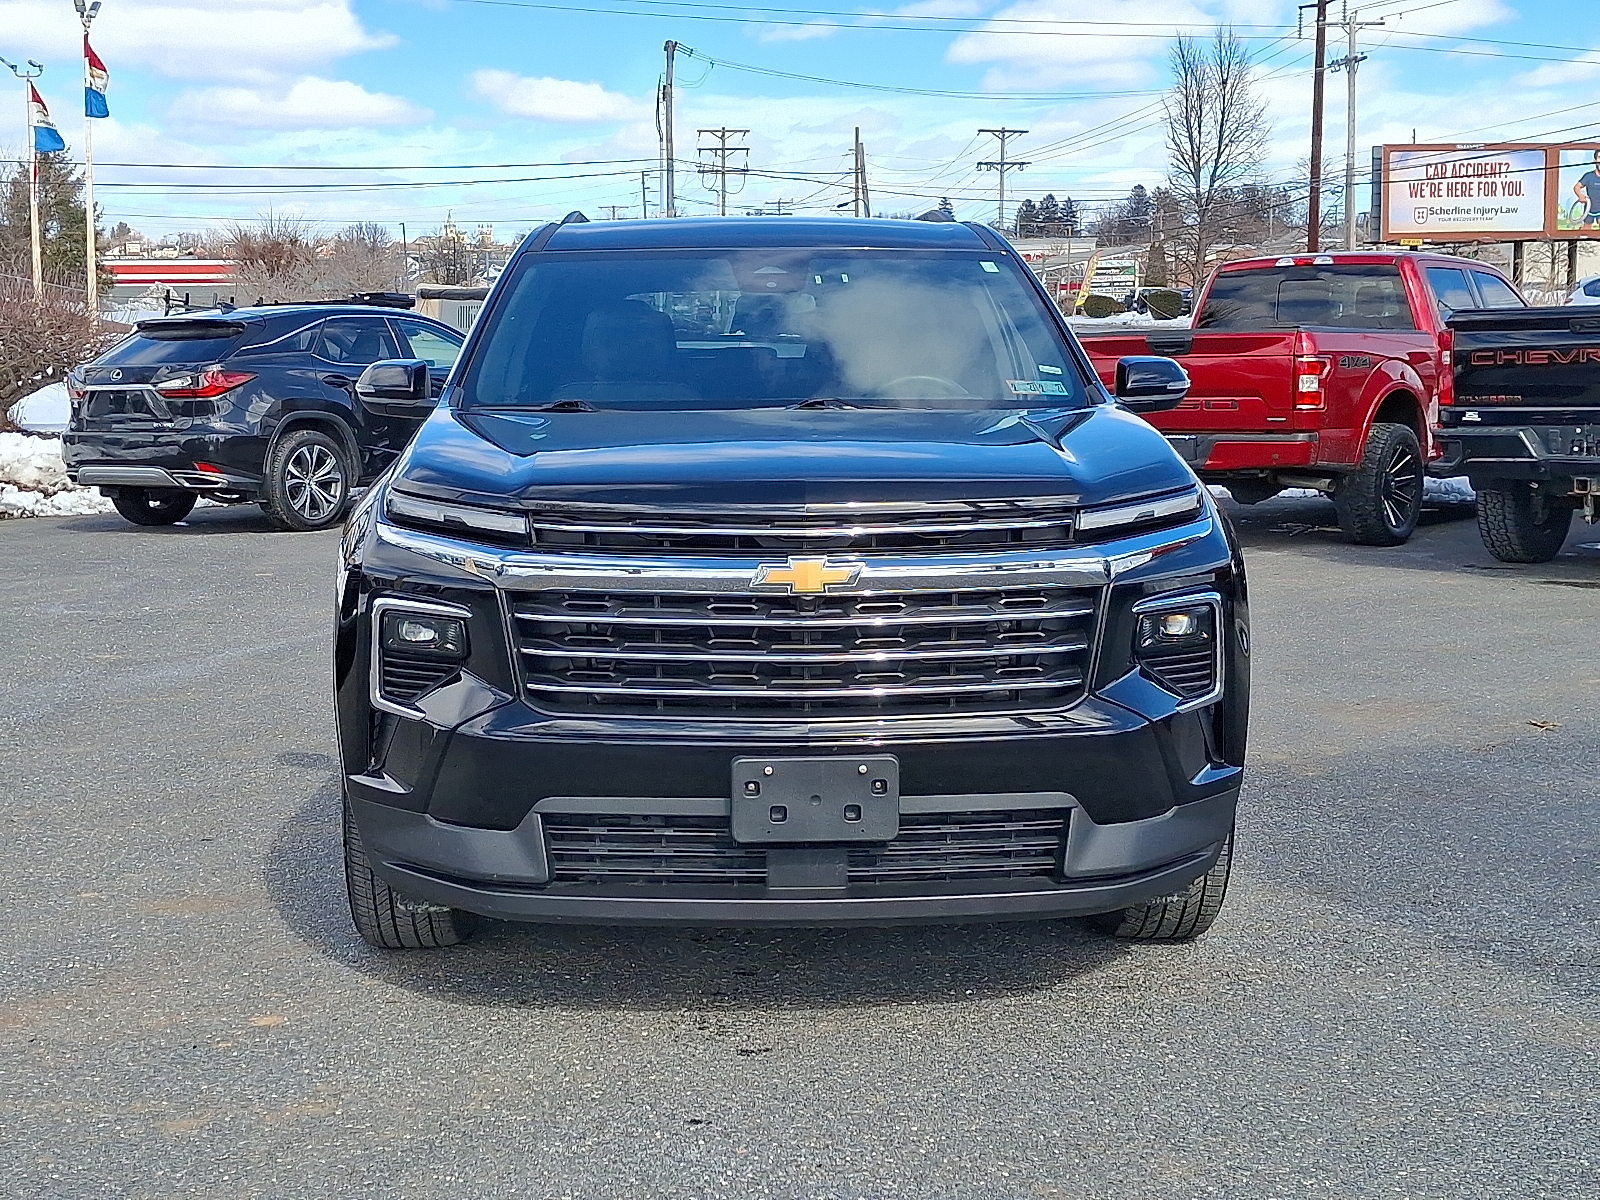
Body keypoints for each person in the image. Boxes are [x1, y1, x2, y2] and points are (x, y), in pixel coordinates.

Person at [1573, 149, 1600, 229]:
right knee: (1586, 229)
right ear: (1595, 160)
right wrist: (1581, 196)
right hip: (1589, 208)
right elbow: (1577, 187)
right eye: (1599, 157)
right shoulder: (1588, 176)